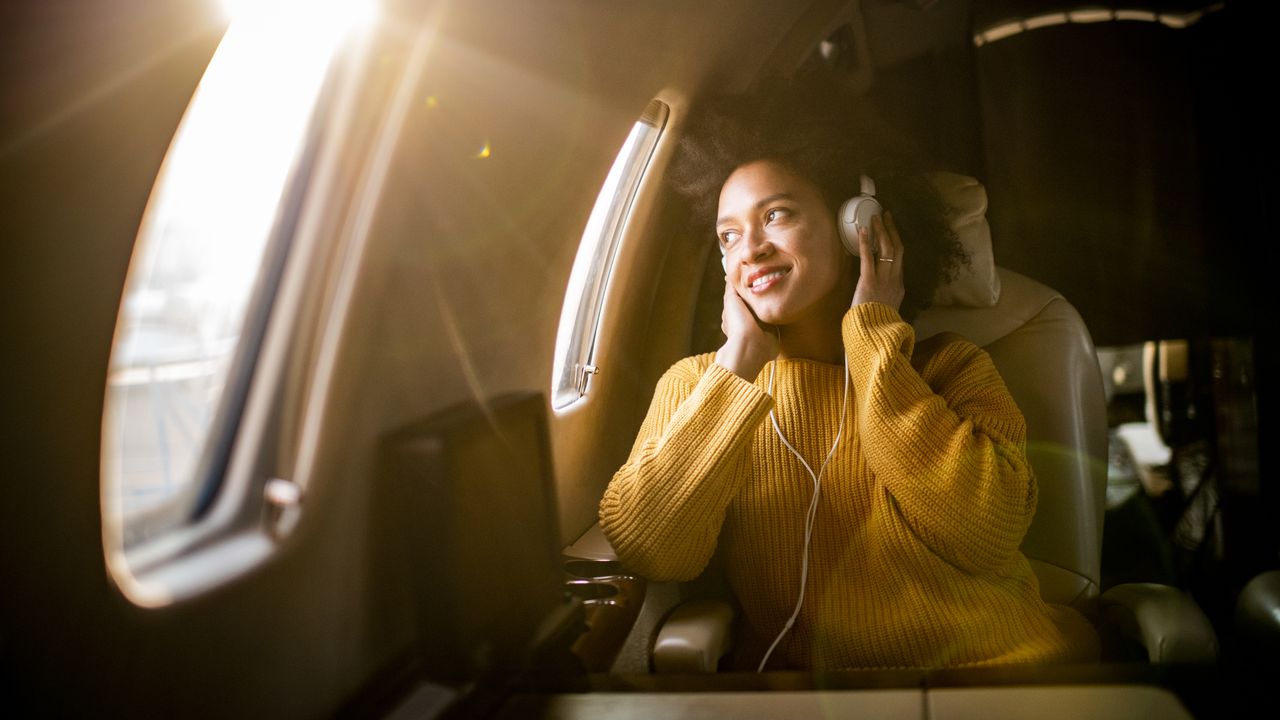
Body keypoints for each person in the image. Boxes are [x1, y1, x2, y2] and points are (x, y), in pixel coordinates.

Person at [598, 78, 1100, 671]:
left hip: (1006, 678)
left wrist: (873, 332)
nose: (749, 249)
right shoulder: (699, 386)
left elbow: (982, 534)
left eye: (776, 215)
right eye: (728, 236)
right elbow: (652, 549)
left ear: (855, 228)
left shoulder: (950, 366)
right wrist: (739, 362)